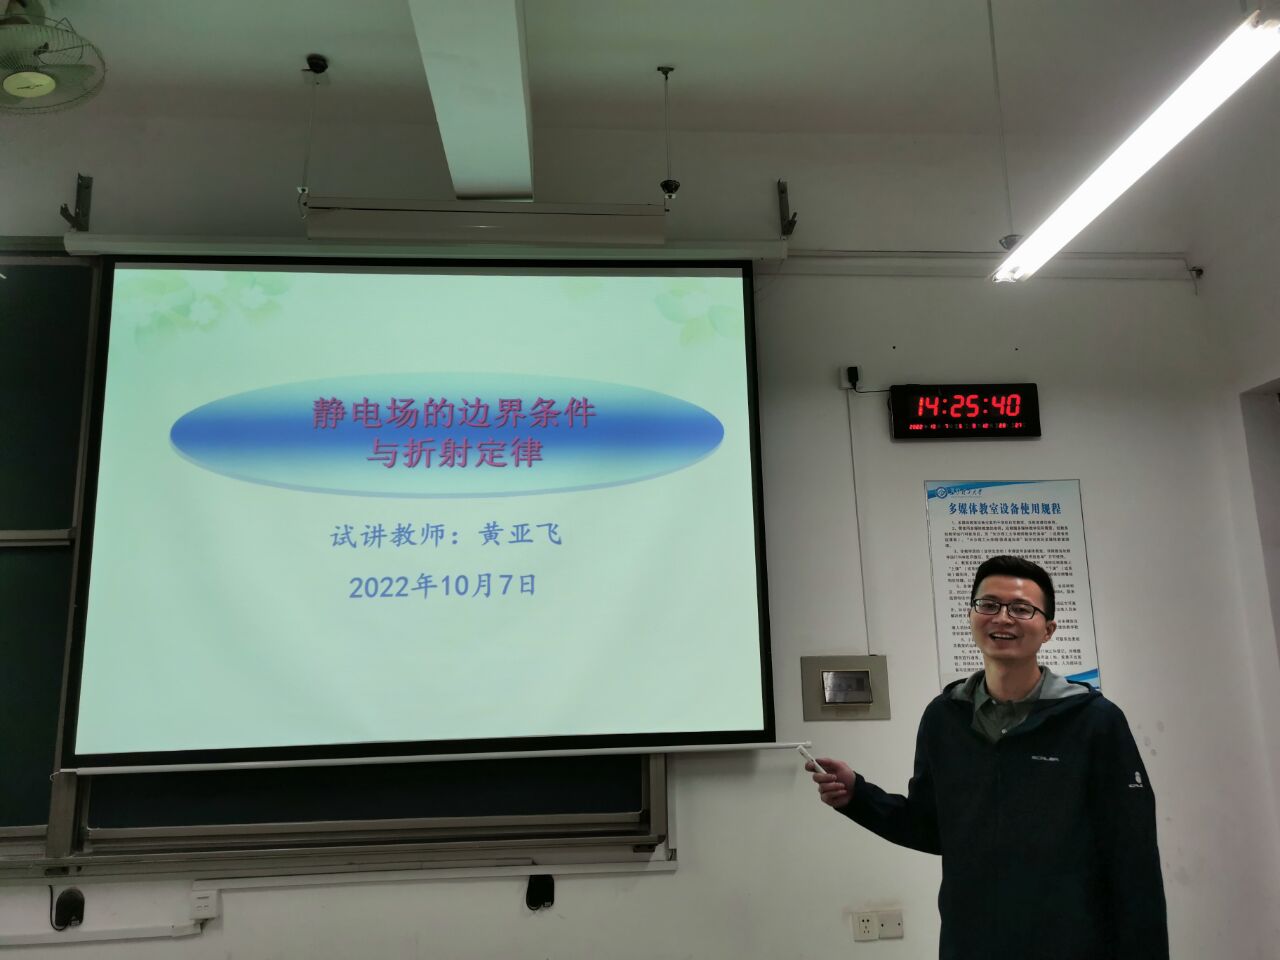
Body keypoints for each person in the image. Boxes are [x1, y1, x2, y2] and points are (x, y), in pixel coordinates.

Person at [809, 554, 1167, 960]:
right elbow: (931, 828)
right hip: (971, 943)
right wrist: (858, 796)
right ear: (971, 616)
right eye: (989, 604)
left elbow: (1132, 857)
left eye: (1021, 609)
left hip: (1072, 944)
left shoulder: (1094, 721)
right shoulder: (944, 718)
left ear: (1048, 630)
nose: (1003, 618)